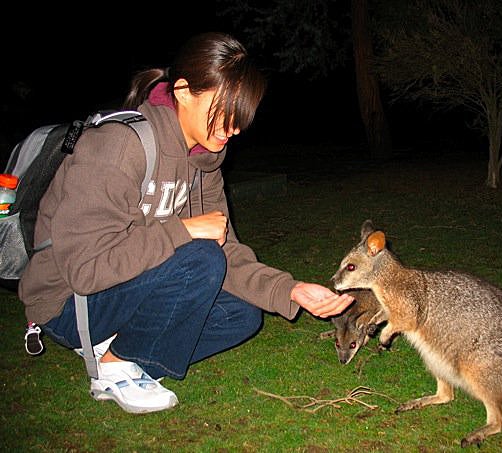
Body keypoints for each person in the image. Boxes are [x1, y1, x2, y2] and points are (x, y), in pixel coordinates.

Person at [18, 32, 354, 414]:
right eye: (226, 109)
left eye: (241, 115)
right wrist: (182, 231)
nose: (235, 127)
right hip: (66, 302)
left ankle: (128, 351)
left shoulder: (203, 162)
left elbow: (226, 249)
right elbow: (85, 269)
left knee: (243, 314)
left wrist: (289, 290)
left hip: (125, 290)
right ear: (183, 91)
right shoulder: (118, 146)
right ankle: (111, 368)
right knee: (200, 257)